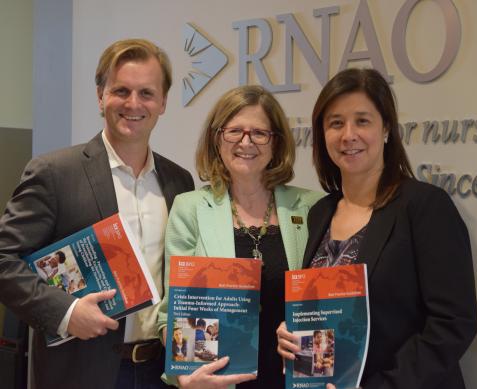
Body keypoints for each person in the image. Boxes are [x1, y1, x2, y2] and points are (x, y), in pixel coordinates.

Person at [0, 38, 194, 389]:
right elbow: (3, 259)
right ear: (101, 95)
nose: (133, 104)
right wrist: (66, 312)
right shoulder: (55, 172)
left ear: (163, 101)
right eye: (121, 90)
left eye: (147, 93)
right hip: (82, 371)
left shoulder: (180, 182)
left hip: (162, 373)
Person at [277, 68, 477, 389]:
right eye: (336, 123)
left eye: (363, 120)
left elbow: (453, 324)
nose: (348, 135)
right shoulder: (320, 213)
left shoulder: (425, 206)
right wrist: (294, 337)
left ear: (386, 129)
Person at [158, 85, 323, 388]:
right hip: (218, 380)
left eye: (259, 133)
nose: (246, 142)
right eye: (234, 131)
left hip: (294, 378)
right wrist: (186, 377)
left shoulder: (313, 207)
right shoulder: (190, 209)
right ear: (217, 138)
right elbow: (172, 312)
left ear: (276, 143)